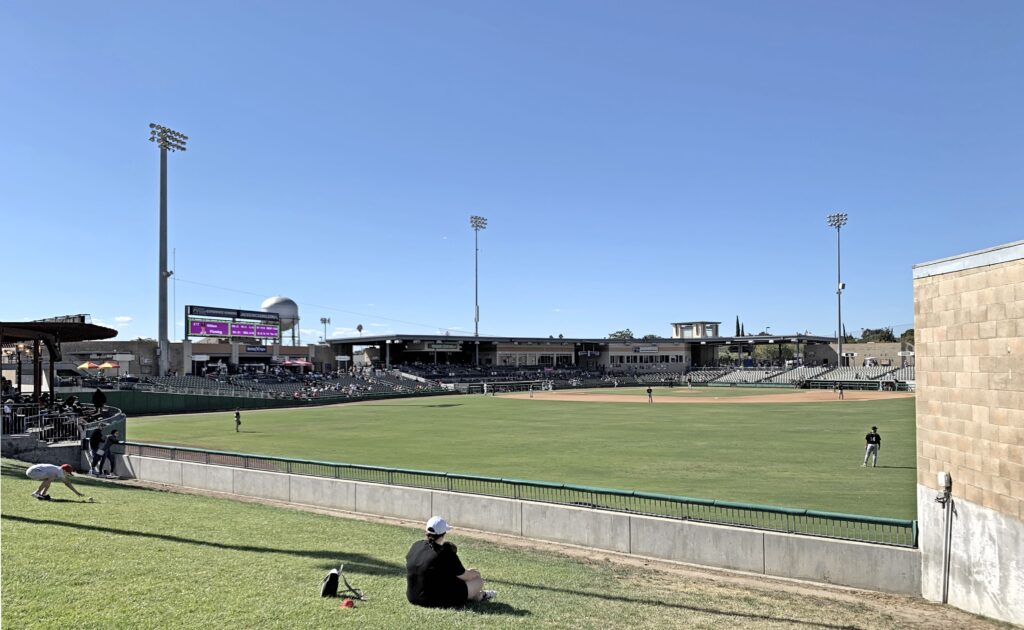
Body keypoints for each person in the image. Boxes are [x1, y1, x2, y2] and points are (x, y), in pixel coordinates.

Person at [406, 516, 496, 609]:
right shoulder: (445, 554)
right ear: (443, 534)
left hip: (412, 597)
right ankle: (479, 595)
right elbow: (466, 576)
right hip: (431, 600)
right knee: (478, 581)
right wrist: (476, 572)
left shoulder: (416, 545)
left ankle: (479, 596)